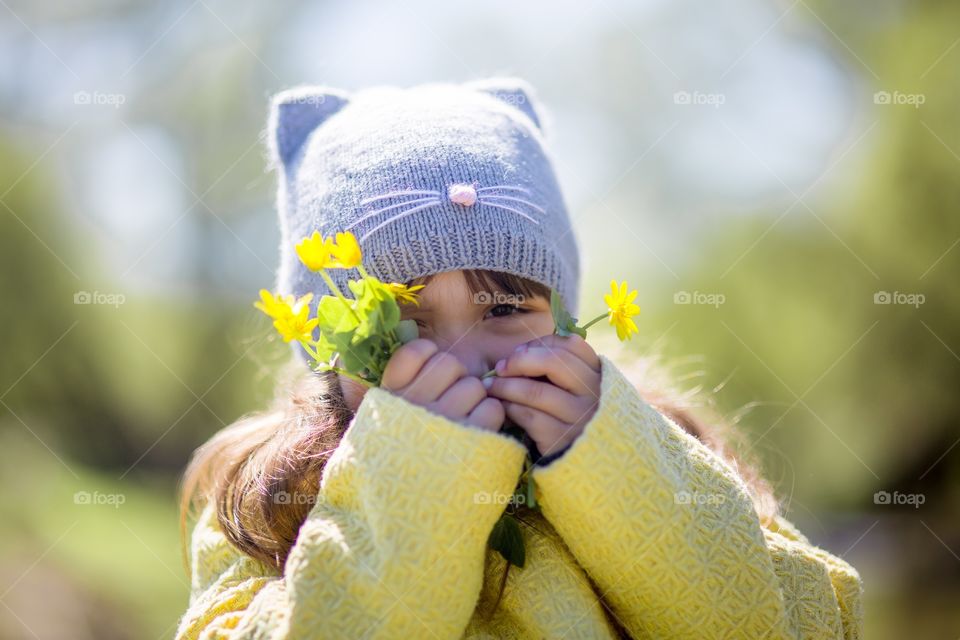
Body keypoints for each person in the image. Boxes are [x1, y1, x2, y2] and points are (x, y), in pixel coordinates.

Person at [175, 78, 863, 639]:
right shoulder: (268, 494)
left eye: (503, 310)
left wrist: (618, 467)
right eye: (403, 321)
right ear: (326, 349)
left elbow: (812, 623)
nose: (460, 358)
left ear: (562, 315)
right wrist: (408, 477)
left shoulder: (660, 449)